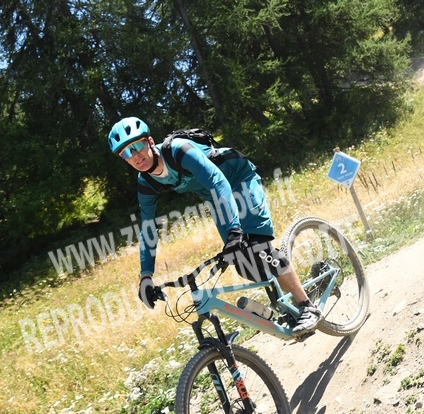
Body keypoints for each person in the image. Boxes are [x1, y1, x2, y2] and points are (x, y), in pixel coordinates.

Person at [108, 116, 320, 338]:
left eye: (137, 146)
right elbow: (148, 228)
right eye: (126, 153)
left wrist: (234, 230)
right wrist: (146, 276)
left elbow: (217, 181)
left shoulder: (179, 151)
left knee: (259, 248)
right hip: (216, 198)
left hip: (239, 178)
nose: (135, 155)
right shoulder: (146, 182)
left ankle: (307, 306)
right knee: (242, 263)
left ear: (150, 142)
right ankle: (289, 303)